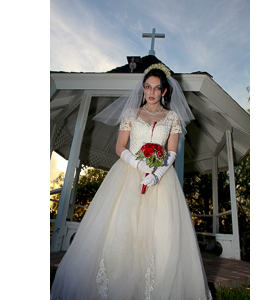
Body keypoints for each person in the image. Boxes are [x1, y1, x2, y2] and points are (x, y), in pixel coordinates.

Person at [50, 63, 212, 300]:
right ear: (143, 88)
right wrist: (139, 164)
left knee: (160, 234)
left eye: (157, 88)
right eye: (148, 87)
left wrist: (156, 173)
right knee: (120, 229)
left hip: (161, 180)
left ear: (165, 91)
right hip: (127, 175)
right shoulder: (130, 114)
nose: (152, 92)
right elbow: (119, 146)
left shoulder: (172, 118)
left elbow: (173, 152)